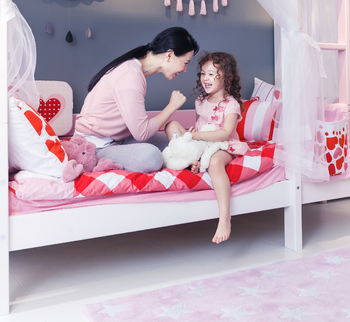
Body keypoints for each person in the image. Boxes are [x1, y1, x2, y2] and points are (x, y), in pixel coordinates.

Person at [75, 27, 199, 172]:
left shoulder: (135, 71)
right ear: (169, 55)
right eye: (186, 62)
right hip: (94, 146)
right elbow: (142, 134)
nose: (184, 69)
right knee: (152, 157)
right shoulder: (130, 75)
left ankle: (186, 161)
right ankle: (178, 162)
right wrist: (172, 106)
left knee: (175, 144)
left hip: (118, 139)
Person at [165, 52, 248, 244]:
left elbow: (225, 133)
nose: (205, 78)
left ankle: (224, 217)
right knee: (171, 125)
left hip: (223, 146)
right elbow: (199, 125)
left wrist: (197, 136)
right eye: (203, 73)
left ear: (226, 77)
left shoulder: (231, 104)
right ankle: (189, 160)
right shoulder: (200, 101)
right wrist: (193, 135)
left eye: (211, 74)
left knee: (215, 161)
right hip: (202, 143)